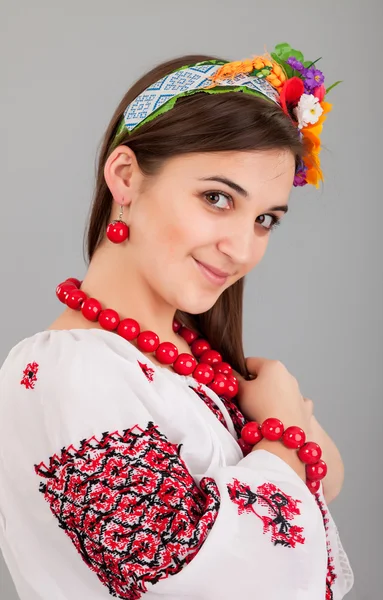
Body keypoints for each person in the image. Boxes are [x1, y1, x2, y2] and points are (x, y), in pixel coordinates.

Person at [0, 43, 354, 599]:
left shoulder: (192, 357)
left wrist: (281, 427)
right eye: (217, 197)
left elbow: (328, 478)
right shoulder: (67, 373)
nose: (241, 247)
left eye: (265, 219)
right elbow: (186, 577)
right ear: (125, 177)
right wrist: (284, 429)